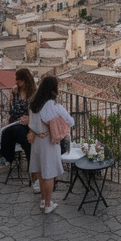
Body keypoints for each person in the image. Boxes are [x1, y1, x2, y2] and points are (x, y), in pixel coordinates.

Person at [27, 75, 74, 214]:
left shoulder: (34, 103)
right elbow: (71, 121)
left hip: (36, 141)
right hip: (48, 142)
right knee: (49, 173)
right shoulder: (52, 106)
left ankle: (43, 200)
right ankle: (48, 204)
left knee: (41, 172)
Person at [0, 68, 35, 187]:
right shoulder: (14, 92)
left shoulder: (33, 94)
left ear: (26, 80)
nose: (17, 82)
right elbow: (11, 110)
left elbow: (35, 111)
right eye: (16, 79)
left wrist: (29, 119)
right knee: (11, 132)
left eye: (19, 80)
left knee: (21, 135)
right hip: (15, 122)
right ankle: (32, 167)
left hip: (27, 124)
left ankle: (9, 159)